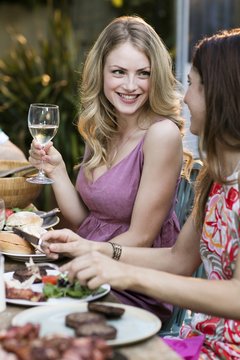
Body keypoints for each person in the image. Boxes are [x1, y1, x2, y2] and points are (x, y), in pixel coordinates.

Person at [41, 28, 240, 358]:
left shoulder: (165, 137)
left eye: (192, 84)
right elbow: (178, 259)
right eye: (119, 71)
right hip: (199, 340)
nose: (185, 97)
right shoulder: (214, 178)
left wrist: (126, 273)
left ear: (220, 94)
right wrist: (92, 249)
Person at [29, 16, 188, 322]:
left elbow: (141, 237)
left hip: (133, 286)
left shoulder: (161, 135)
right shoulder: (103, 127)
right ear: (100, 73)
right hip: (91, 269)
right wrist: (57, 170)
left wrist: (84, 250)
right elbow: (88, 220)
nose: (130, 86)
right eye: (119, 72)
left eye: (143, 73)